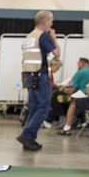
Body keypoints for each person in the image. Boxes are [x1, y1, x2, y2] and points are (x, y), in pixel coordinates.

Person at [17, 9, 59, 152]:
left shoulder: (29, 37)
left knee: (34, 107)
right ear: (45, 21)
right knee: (44, 107)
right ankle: (27, 135)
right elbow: (57, 53)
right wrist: (53, 38)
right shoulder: (43, 36)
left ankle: (30, 139)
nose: (52, 24)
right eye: (51, 21)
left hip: (29, 75)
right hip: (40, 75)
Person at [58, 56, 89, 135]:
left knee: (72, 103)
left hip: (83, 98)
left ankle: (67, 127)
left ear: (83, 63)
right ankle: (78, 122)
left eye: (78, 64)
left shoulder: (80, 73)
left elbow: (73, 89)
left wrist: (63, 90)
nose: (77, 66)